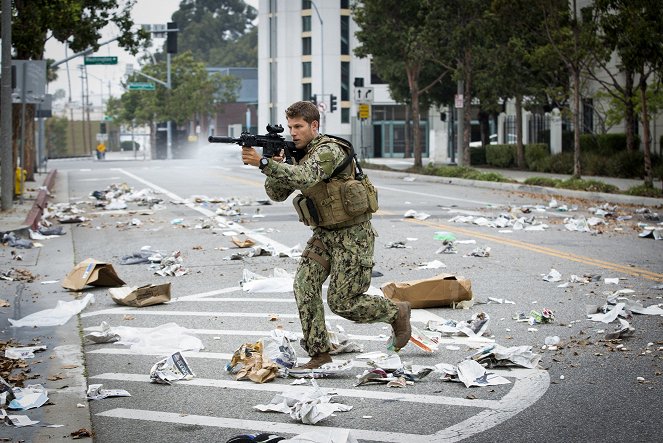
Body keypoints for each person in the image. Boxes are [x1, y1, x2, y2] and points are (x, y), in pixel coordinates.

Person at [241, 101, 411, 369]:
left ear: (314, 126)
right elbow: (276, 194)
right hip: (324, 234)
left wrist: (263, 162)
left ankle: (395, 312)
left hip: (353, 234)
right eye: (290, 127)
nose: (293, 132)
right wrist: (275, 162)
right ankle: (319, 353)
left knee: (343, 302)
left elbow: (306, 178)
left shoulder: (328, 150)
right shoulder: (298, 154)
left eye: (298, 126)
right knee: (304, 286)